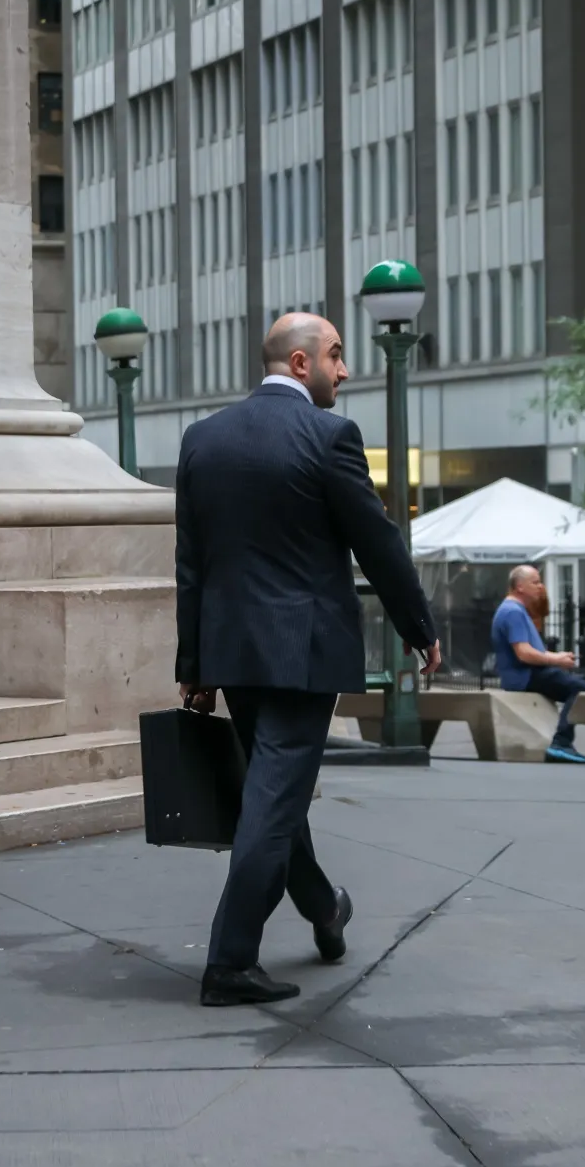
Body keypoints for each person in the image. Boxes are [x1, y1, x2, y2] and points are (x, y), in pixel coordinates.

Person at [176, 312, 440, 1007]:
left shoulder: (203, 440)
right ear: (300, 363)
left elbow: (191, 567)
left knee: (273, 792)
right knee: (272, 802)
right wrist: (418, 625)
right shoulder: (330, 437)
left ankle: (324, 907)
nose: (345, 370)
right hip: (303, 652)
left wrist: (194, 664)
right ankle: (230, 961)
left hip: (233, 651)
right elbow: (376, 542)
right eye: (336, 356)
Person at [492, 565, 585, 764]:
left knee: (577, 687)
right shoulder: (513, 612)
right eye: (535, 582)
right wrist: (555, 660)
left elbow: (531, 649)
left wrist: (558, 656)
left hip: (528, 674)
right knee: (581, 690)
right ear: (520, 586)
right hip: (525, 677)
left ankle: (562, 742)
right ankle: (561, 742)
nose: (540, 587)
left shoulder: (515, 610)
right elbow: (524, 653)